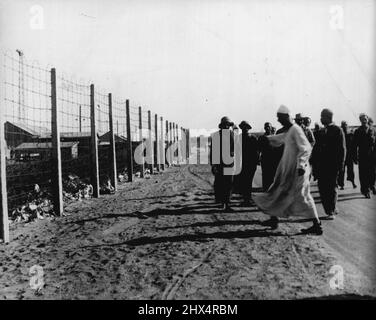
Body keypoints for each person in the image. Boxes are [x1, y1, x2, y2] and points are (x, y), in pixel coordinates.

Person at [253, 105, 323, 235]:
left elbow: (306, 148)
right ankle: (274, 219)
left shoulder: (296, 129)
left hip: (298, 170)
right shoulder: (291, 130)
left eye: (279, 118)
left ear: (285, 117)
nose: (278, 120)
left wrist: (301, 165)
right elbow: (282, 138)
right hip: (291, 169)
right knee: (278, 191)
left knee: (302, 196)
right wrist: (268, 139)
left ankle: (317, 225)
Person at [312, 109, 346, 219]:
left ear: (329, 117)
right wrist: (314, 164)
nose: (321, 119)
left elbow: (342, 149)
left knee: (331, 188)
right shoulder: (321, 132)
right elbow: (316, 149)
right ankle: (331, 208)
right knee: (322, 188)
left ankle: (331, 211)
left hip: (332, 165)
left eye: (322, 117)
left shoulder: (337, 130)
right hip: (321, 166)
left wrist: (340, 165)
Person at [210, 116, 235, 211]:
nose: (226, 126)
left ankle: (227, 203)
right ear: (221, 126)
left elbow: (235, 149)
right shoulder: (216, 136)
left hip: (229, 163)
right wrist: (213, 165)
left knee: (229, 183)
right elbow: (213, 151)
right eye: (225, 124)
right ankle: (221, 202)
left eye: (228, 125)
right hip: (219, 164)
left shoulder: (232, 134)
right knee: (220, 183)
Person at [236, 121, 259, 206]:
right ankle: (246, 199)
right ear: (241, 128)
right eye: (243, 127)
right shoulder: (238, 138)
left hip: (250, 164)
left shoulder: (253, 138)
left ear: (249, 128)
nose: (245, 128)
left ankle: (247, 199)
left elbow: (256, 152)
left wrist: (256, 162)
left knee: (248, 182)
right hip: (241, 164)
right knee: (243, 182)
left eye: (246, 127)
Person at [353, 113, 376, 198]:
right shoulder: (357, 131)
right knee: (363, 174)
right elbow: (354, 145)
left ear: (367, 119)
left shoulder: (373, 130)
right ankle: (365, 190)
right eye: (362, 119)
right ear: (360, 120)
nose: (364, 120)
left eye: (365, 118)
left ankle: (372, 186)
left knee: (373, 172)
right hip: (362, 156)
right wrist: (354, 157)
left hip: (372, 155)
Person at [258, 122, 279, 191]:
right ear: (264, 128)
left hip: (273, 159)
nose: (267, 128)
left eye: (269, 127)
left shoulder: (275, 137)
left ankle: (273, 190)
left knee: (273, 175)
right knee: (265, 175)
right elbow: (258, 149)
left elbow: (278, 149)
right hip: (265, 159)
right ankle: (266, 190)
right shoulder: (261, 138)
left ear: (271, 127)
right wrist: (258, 158)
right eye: (266, 127)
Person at [337, 121, 357, 189]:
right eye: (343, 125)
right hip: (342, 155)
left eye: (346, 125)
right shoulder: (339, 134)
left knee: (351, 170)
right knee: (341, 171)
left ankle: (353, 182)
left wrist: (355, 157)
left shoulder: (351, 135)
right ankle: (341, 184)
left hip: (349, 155)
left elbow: (354, 146)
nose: (345, 126)